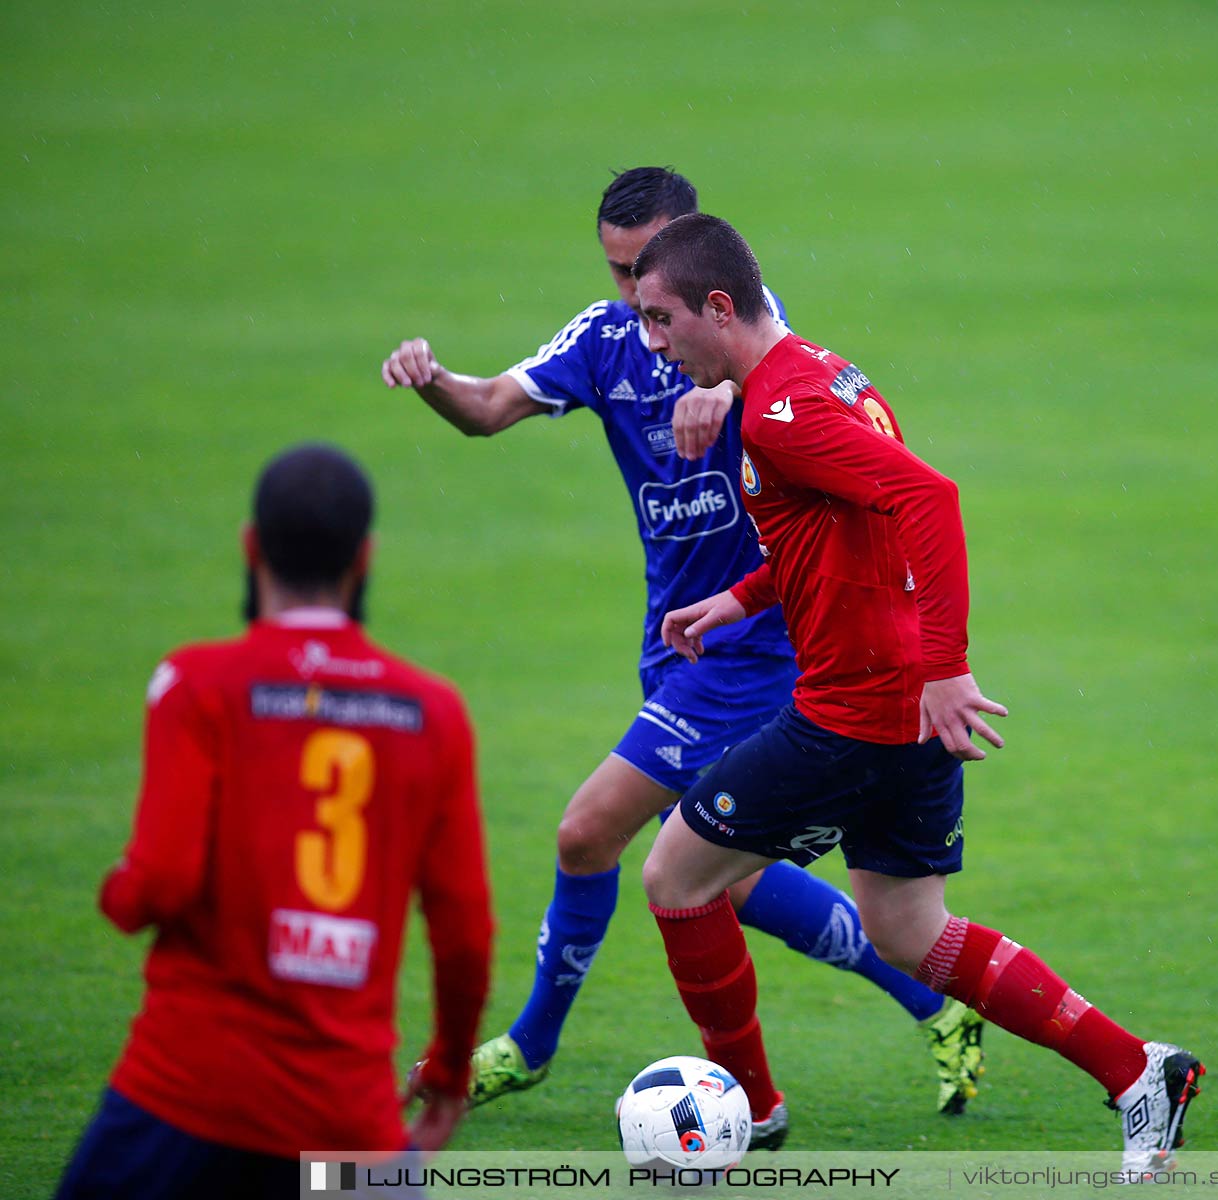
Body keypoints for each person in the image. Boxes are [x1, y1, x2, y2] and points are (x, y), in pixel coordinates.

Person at [379, 167, 985, 1116]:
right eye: (619, 273)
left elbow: (814, 418)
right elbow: (491, 408)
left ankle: (557, 1051)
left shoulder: (740, 337)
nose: (633, 299)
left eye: (647, 278)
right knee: (718, 877)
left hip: (765, 652)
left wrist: (727, 400)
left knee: (595, 834)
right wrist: (432, 382)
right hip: (689, 639)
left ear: (696, 264)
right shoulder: (610, 336)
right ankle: (932, 1002)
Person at [631, 214, 1204, 1170]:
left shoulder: (783, 410)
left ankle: (754, 1114)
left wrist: (948, 665)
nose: (654, 342)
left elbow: (927, 500)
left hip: (858, 711)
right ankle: (1140, 1070)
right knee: (908, 928)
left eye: (659, 319)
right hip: (900, 712)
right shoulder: (821, 370)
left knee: (675, 878)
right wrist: (737, 598)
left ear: (717, 307)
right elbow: (841, 534)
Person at [56, 444, 492, 1200]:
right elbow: (464, 931)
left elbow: (158, 881)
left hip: (183, 1096)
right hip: (345, 1123)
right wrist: (451, 1069)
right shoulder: (433, 713)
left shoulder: (197, 685)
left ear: (251, 546)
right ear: (366, 558)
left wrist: (117, 895)